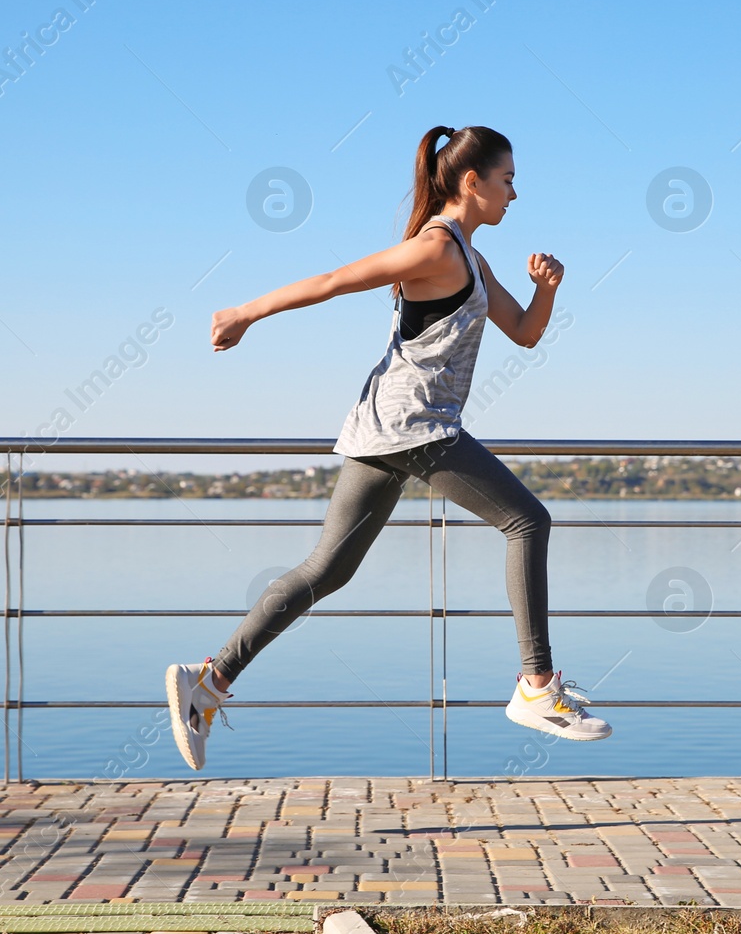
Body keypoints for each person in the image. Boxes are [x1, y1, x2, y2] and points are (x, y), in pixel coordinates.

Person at [165, 124, 612, 771]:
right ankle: (537, 686)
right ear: (472, 182)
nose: (515, 193)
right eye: (508, 179)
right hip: (414, 424)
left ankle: (208, 681)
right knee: (527, 520)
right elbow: (336, 279)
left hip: (390, 426)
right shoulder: (437, 248)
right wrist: (244, 312)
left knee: (328, 568)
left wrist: (548, 288)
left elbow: (523, 332)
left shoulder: (471, 255)